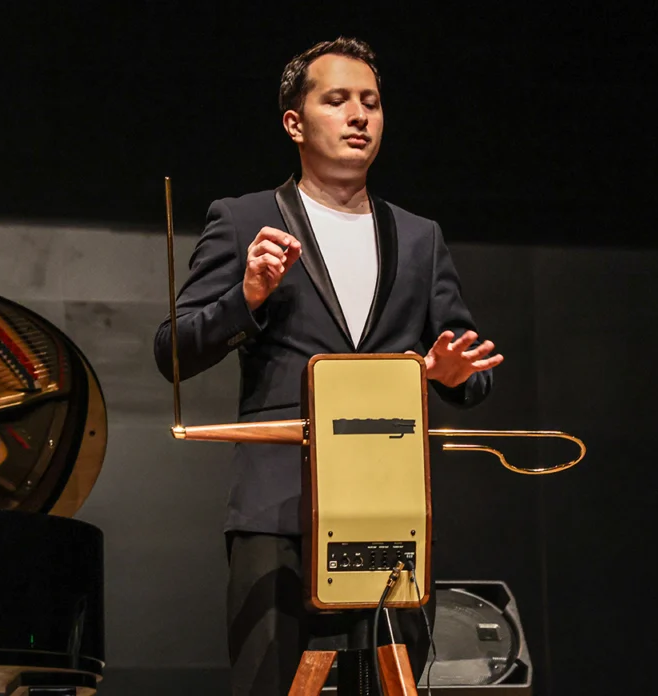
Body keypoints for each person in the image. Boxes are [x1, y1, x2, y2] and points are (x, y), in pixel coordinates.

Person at [154, 36, 503, 696]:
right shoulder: (244, 220)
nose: (358, 115)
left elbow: (471, 366)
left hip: (389, 508)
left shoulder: (420, 237)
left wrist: (456, 375)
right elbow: (173, 351)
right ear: (295, 122)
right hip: (277, 513)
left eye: (371, 101)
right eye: (337, 100)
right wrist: (247, 297)